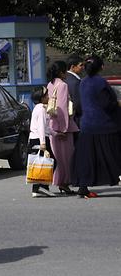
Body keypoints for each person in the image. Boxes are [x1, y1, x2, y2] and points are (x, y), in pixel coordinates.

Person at [72, 55, 121, 199]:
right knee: (115, 155)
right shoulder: (100, 82)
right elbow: (107, 104)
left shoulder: (83, 83)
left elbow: (80, 104)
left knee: (86, 158)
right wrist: (117, 103)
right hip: (105, 126)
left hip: (87, 125)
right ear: (102, 67)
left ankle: (83, 187)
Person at [47, 61, 78, 195]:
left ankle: (60, 182)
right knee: (67, 157)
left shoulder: (50, 84)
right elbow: (62, 109)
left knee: (59, 157)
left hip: (53, 127)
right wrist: (64, 127)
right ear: (61, 72)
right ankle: (64, 182)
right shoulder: (63, 85)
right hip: (62, 128)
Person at [28, 86, 54, 198]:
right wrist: (43, 144)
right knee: (47, 162)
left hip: (37, 138)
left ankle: (37, 188)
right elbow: (41, 128)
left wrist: (56, 133)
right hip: (40, 139)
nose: (48, 97)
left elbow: (46, 127)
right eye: (46, 95)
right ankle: (41, 187)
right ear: (41, 97)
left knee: (40, 163)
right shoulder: (41, 109)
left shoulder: (39, 108)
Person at [65, 54, 85, 131]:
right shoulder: (75, 82)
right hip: (76, 119)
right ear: (73, 67)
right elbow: (77, 103)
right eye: (81, 65)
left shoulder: (66, 78)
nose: (83, 68)